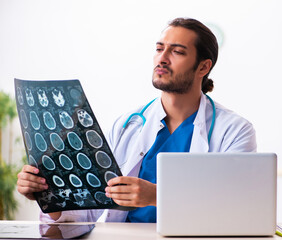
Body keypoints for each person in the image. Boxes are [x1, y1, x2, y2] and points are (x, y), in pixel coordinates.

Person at [17, 17, 257, 223]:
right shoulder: (125, 126)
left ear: (203, 67)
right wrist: (50, 198)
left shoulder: (234, 131)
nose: (162, 58)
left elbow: (235, 210)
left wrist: (157, 196)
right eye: (159, 48)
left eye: (177, 51)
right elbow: (88, 210)